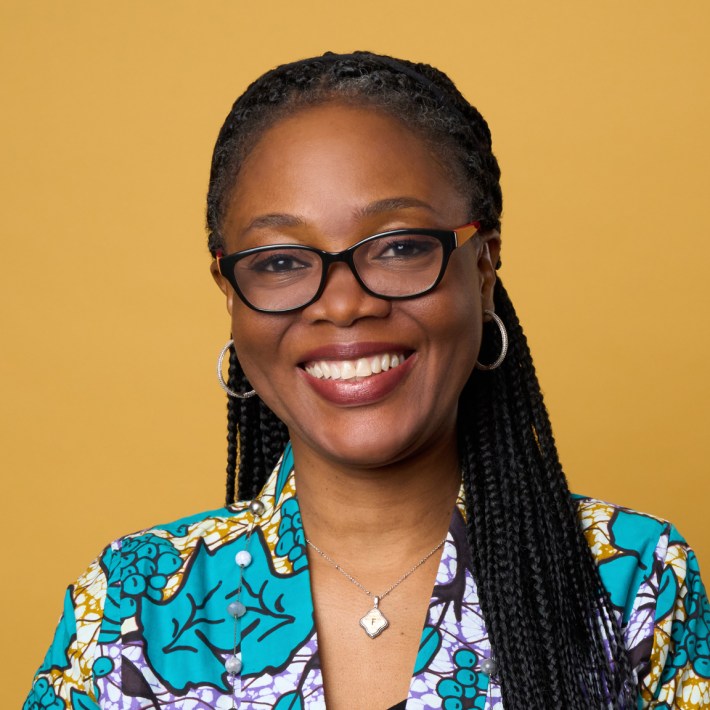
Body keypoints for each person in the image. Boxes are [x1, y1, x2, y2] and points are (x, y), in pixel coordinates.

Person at [25, 51, 709, 710]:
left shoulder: (632, 583)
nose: (345, 302)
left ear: (483, 265)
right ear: (230, 293)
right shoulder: (134, 604)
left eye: (400, 248)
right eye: (281, 261)